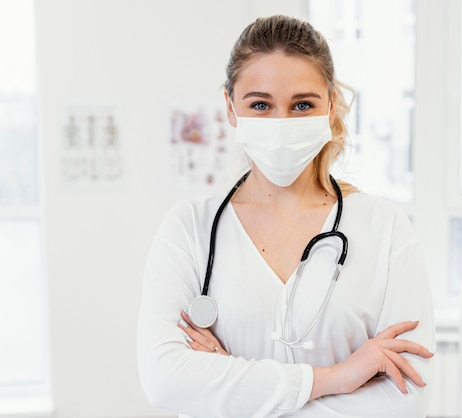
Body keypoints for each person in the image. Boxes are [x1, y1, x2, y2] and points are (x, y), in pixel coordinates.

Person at [137, 14, 435, 418]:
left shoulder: (385, 230)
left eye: (302, 105)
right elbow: (166, 380)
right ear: (230, 107)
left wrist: (230, 387)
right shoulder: (189, 228)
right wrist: (335, 377)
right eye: (260, 104)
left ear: (330, 106)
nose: (281, 124)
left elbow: (407, 395)